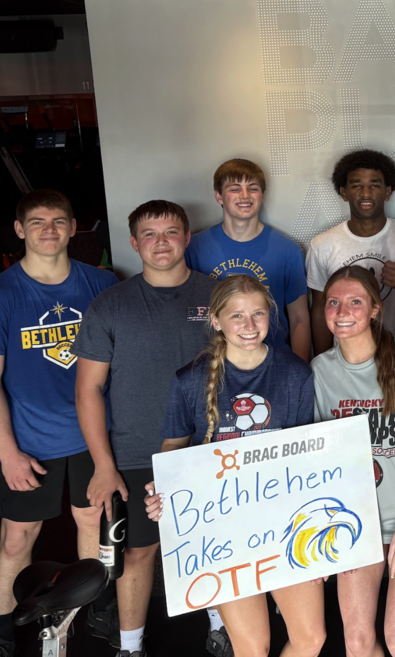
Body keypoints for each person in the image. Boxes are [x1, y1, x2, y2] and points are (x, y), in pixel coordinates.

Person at [143, 275, 321, 657]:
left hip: (285, 525)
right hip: (223, 531)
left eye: (258, 313)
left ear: (271, 315)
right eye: (237, 315)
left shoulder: (296, 374)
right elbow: (173, 448)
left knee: (311, 639)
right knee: (252, 649)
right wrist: (163, 492)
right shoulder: (190, 380)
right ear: (216, 319)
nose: (249, 325)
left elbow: (309, 460)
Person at [0, 190, 118, 657]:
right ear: (20, 230)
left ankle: (96, 611)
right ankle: (0, 635)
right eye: (37, 222)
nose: (49, 230)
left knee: (93, 521)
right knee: (17, 538)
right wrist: (8, 452)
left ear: (74, 228)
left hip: (93, 435)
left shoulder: (101, 284)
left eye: (58, 221)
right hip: (29, 441)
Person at [73, 200, 217, 657]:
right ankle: (130, 646)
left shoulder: (219, 295)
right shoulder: (110, 305)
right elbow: (88, 390)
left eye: (171, 232)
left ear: (187, 238)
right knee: (138, 552)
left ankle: (222, 627)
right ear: (134, 244)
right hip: (136, 451)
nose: (161, 242)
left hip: (210, 446)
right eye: (149, 235)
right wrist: (103, 465)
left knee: (214, 541)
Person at [312, 266, 395, 657]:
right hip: (355, 522)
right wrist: (324, 530)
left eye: (355, 302)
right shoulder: (319, 371)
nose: (342, 311)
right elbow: (317, 458)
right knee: (357, 641)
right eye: (333, 302)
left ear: (374, 309)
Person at [306, 150, 395, 352]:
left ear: (387, 192)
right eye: (357, 185)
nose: (366, 193)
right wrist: (322, 361)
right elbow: (321, 311)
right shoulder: (322, 245)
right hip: (344, 359)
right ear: (344, 193)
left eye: (374, 185)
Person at [186, 158, 310, 358]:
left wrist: (300, 369)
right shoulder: (193, 248)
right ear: (218, 196)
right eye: (235, 189)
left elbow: (299, 318)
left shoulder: (288, 251)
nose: (245, 195)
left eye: (253, 188)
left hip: (274, 361)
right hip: (213, 362)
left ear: (262, 195)